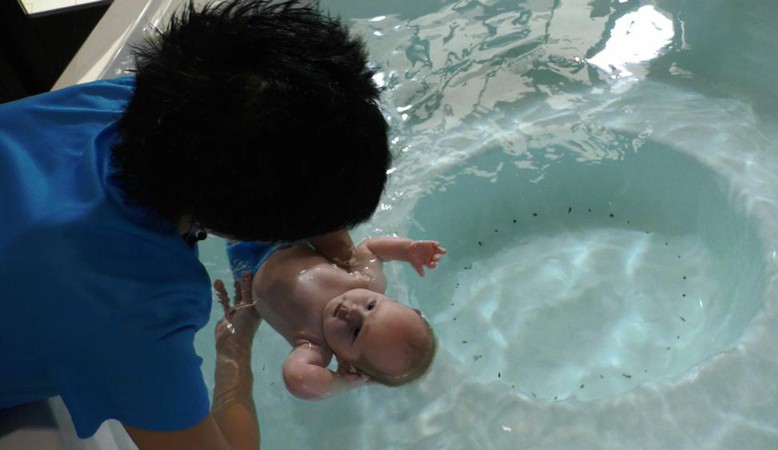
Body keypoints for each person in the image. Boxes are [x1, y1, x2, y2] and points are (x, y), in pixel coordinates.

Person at [0, 1, 391, 449]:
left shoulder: (125, 103)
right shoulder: (138, 306)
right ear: (251, 231)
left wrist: (340, 249)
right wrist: (235, 349)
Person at [218, 231, 446, 399]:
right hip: (289, 234)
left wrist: (343, 383)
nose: (352, 311)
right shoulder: (367, 284)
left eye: (355, 332)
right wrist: (406, 249)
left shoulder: (315, 346)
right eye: (371, 306)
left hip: (247, 259)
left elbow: (297, 379)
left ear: (348, 364)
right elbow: (370, 250)